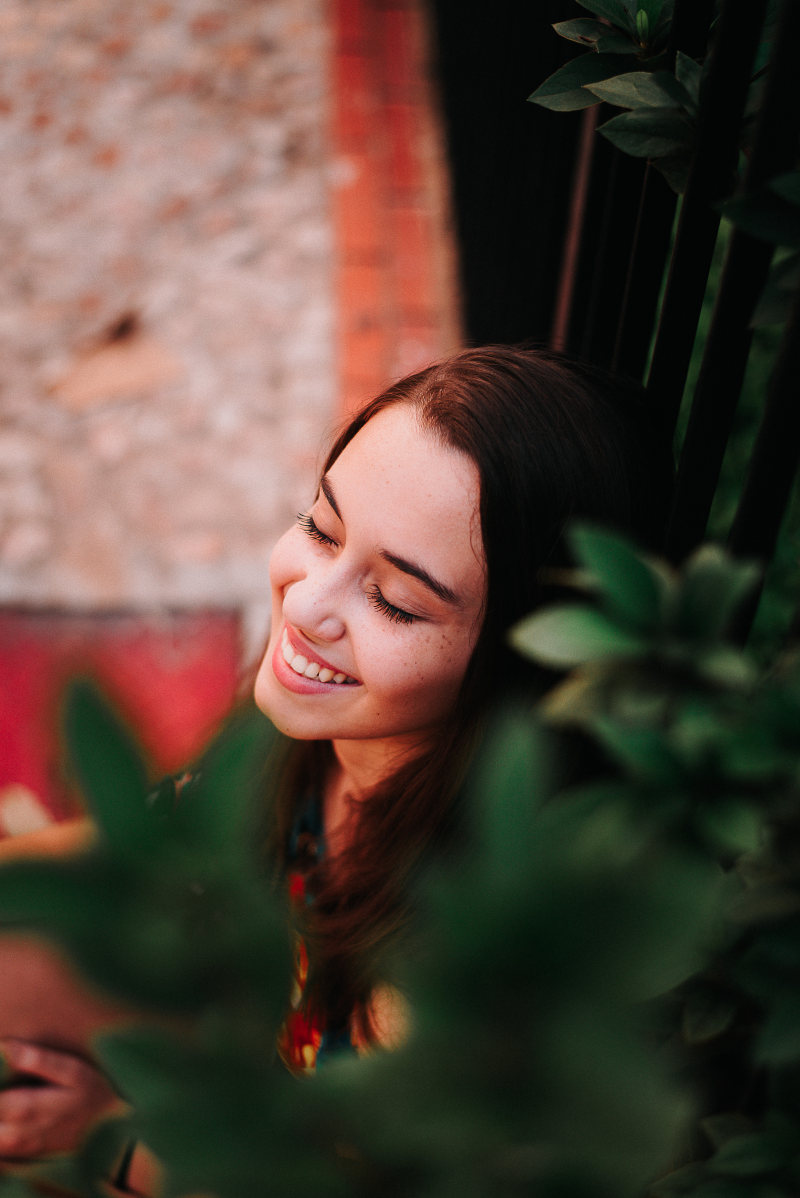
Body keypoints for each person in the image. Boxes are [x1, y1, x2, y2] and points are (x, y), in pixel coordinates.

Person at [0, 345, 673, 1183]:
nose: (307, 602)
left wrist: (114, 1133)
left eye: (395, 599)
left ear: (516, 663)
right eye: (321, 526)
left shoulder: (466, 973)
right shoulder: (318, 734)